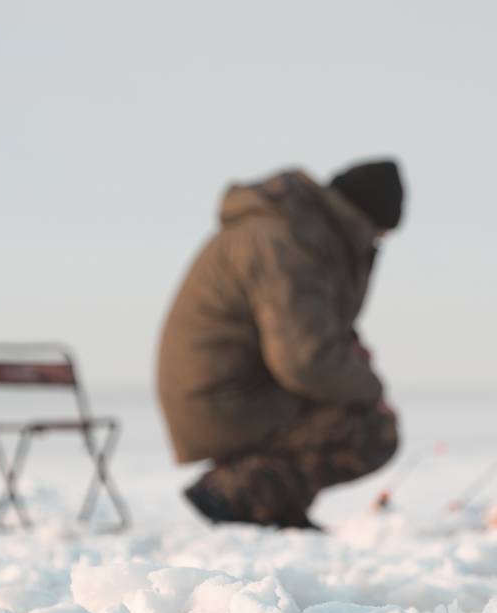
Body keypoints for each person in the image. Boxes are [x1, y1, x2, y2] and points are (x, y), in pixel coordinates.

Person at [156, 159, 404, 528]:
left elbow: (309, 333)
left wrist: (350, 355)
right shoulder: (287, 241)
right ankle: (240, 491)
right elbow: (304, 361)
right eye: (378, 236)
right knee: (372, 430)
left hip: (222, 391)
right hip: (221, 400)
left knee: (353, 409)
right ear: (363, 221)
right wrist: (371, 390)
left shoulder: (293, 229)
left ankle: (275, 506)